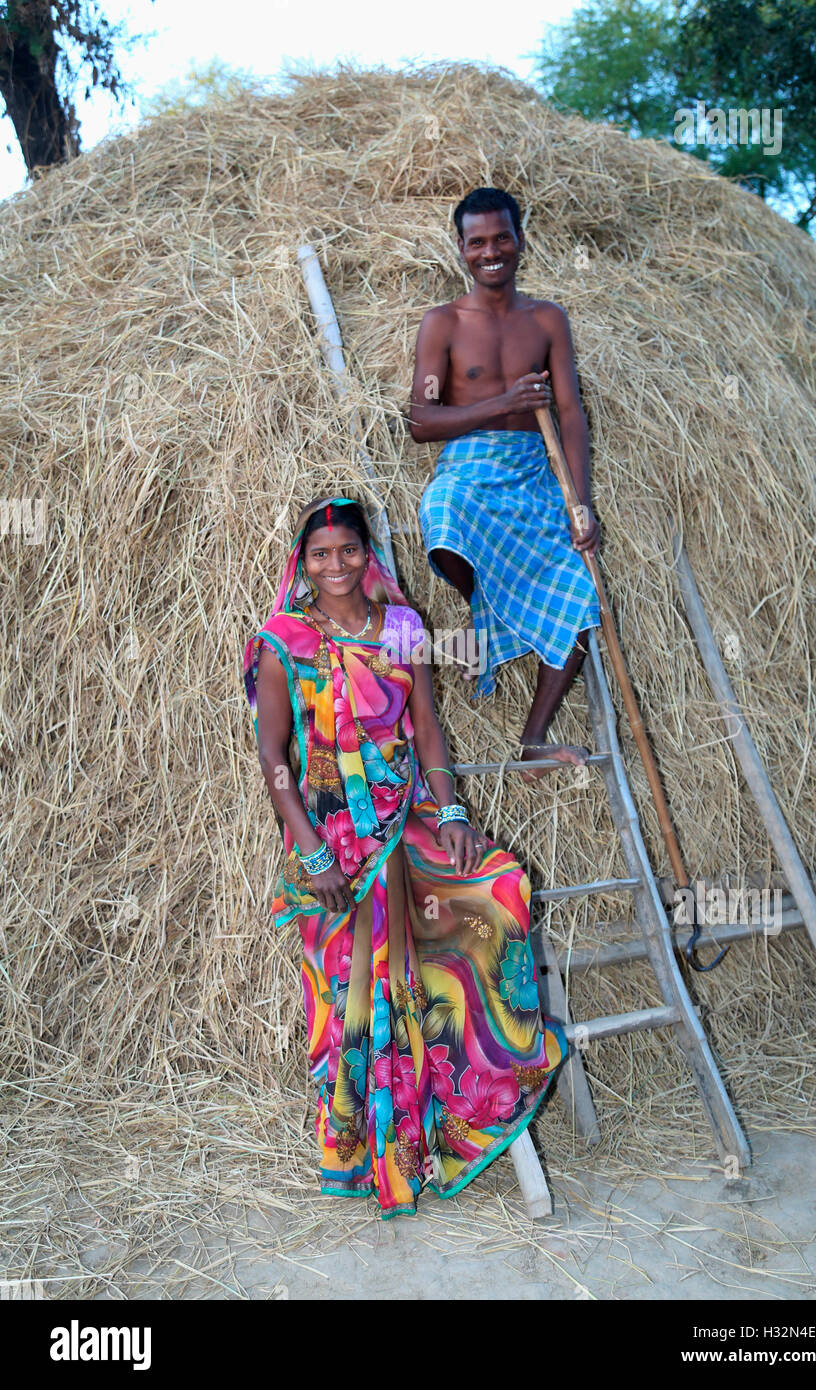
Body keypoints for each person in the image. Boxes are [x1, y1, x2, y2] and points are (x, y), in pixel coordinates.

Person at [243, 495, 567, 1220]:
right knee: (356, 999)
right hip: (335, 853)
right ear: (303, 560)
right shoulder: (283, 643)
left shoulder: (403, 630)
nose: (336, 565)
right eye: (321, 553)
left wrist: (451, 810)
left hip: (408, 821)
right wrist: (310, 849)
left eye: (348, 551)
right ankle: (374, 1158)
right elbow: (272, 760)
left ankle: (462, 1110)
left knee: (501, 890)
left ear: (369, 555)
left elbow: (427, 732)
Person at [410, 185, 602, 779]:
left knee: (581, 597)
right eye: (477, 242)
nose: (490, 251)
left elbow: (570, 413)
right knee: (441, 515)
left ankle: (534, 738)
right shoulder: (442, 324)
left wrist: (582, 502)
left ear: (520, 241)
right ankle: (487, 607)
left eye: (501, 238)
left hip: (530, 470)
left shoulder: (546, 319)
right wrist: (501, 402)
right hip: (469, 466)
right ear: (460, 249)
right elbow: (421, 420)